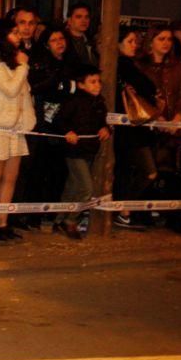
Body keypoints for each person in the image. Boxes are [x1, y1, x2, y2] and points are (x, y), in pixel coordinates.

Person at [0, 19, 35, 242]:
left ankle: (3, 222)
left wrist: (29, 120)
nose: (19, 34)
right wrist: (23, 66)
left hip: (17, 126)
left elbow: (24, 92)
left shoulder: (14, 60)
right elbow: (11, 89)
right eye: (13, 31)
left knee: (11, 177)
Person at [138, 26, 181, 230]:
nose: (166, 43)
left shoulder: (179, 66)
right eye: (161, 38)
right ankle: (143, 214)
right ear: (151, 41)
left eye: (169, 39)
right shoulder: (142, 66)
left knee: (172, 172)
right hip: (150, 126)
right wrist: (156, 117)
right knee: (149, 170)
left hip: (173, 128)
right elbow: (140, 95)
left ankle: (172, 218)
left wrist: (178, 116)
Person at [54, 65, 110, 240]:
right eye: (92, 82)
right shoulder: (73, 102)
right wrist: (68, 131)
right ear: (81, 84)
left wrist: (106, 128)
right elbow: (59, 120)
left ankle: (58, 219)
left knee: (72, 186)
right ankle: (71, 221)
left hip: (90, 150)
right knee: (86, 188)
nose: (97, 85)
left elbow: (103, 122)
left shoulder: (99, 102)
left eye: (98, 82)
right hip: (74, 151)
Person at [24, 25, 75, 214]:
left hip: (66, 122)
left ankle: (52, 212)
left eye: (61, 38)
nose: (59, 43)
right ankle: (32, 214)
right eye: (54, 40)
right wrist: (57, 81)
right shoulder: (40, 65)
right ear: (46, 45)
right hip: (44, 123)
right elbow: (37, 88)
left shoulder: (71, 64)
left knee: (59, 171)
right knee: (38, 168)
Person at [112, 27, 159, 229]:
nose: (135, 45)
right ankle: (123, 210)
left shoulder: (129, 64)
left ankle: (124, 211)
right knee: (148, 171)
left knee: (127, 171)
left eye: (136, 41)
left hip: (131, 128)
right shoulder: (123, 65)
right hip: (129, 130)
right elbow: (148, 86)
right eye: (130, 41)